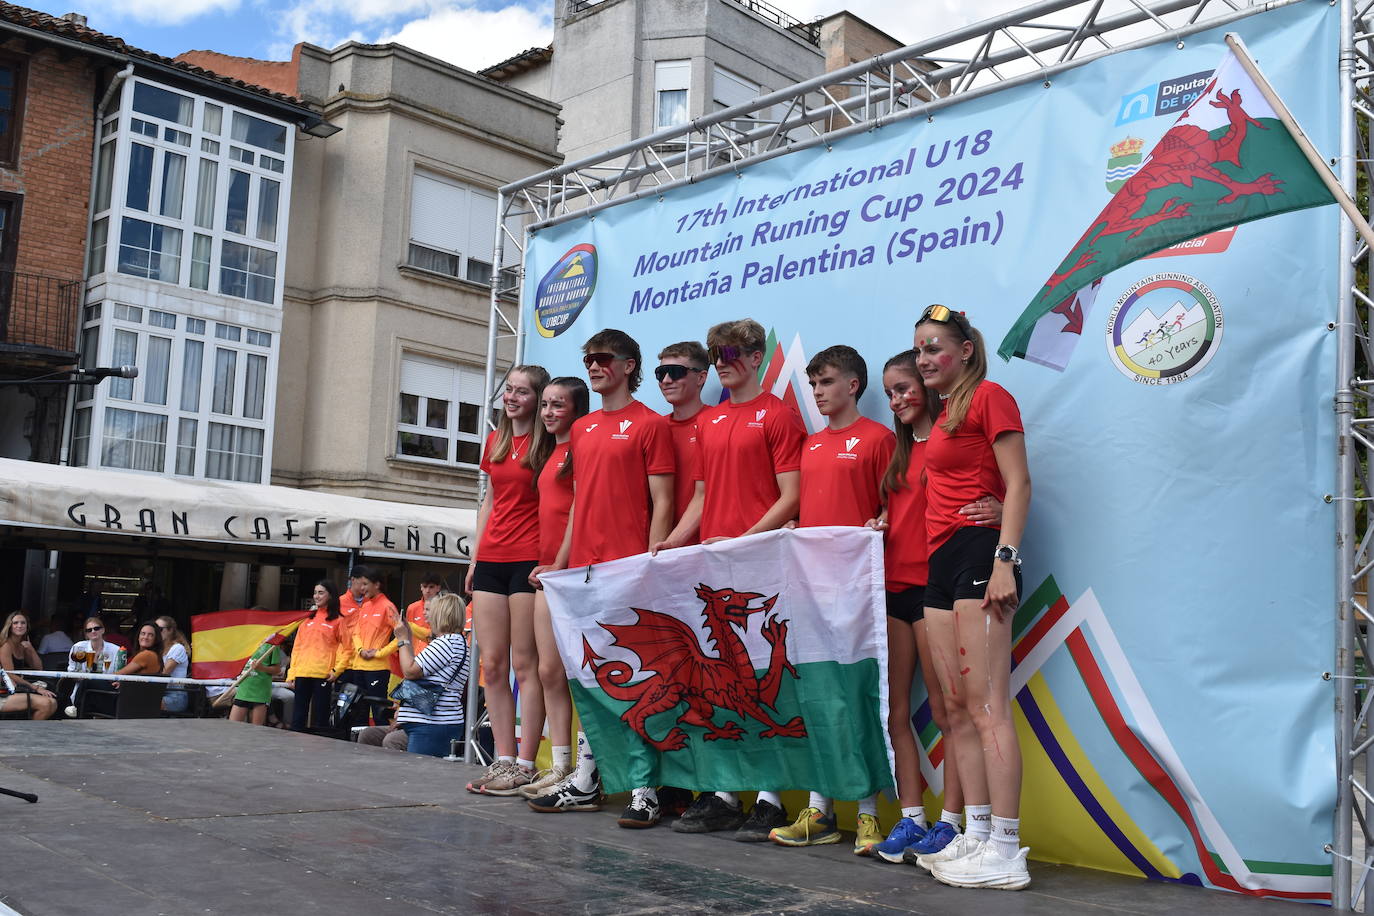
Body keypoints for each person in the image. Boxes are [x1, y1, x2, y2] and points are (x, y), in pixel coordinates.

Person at [659, 318, 804, 840]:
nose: (721, 359)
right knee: (721, 683)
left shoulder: (779, 415)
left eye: (731, 351)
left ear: (757, 356)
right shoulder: (710, 423)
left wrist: (744, 539)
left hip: (761, 565)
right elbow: (700, 496)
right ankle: (722, 792)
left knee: (766, 683)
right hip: (714, 567)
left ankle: (769, 798)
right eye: (716, 351)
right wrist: (674, 541)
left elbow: (792, 495)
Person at [908, 305, 1032, 891]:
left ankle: (1007, 848)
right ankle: (977, 835)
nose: (925, 359)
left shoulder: (989, 396)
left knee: (987, 708)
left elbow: (1020, 482)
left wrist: (1006, 558)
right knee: (954, 708)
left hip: (982, 554)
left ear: (964, 351)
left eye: (935, 348)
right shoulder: (943, 413)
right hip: (941, 560)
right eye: (919, 351)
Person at [527, 329, 674, 819]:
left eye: (603, 358)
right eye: (588, 358)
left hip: (627, 570)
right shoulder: (584, 429)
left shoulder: (651, 425)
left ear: (629, 365)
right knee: (591, 678)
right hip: (582, 575)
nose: (594, 365)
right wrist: (560, 565)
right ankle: (588, 780)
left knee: (634, 680)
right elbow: (577, 507)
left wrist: (649, 561)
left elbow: (664, 502)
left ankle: (644, 790)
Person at [768, 346, 894, 855]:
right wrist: (796, 529)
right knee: (816, 698)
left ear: (853, 385)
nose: (817, 392)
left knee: (856, 699)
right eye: (813, 383)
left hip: (859, 596)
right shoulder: (811, 445)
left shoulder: (879, 440)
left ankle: (867, 815)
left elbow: (894, 507)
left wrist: (881, 524)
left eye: (826, 382)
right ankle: (821, 811)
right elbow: (807, 507)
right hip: (810, 595)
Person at [464, 364, 552, 795]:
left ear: (537, 399)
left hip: (528, 559)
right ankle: (501, 758)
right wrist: (474, 557)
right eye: (509, 389)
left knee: (524, 663)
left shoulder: (548, 444)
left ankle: (525, 762)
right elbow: (490, 502)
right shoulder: (496, 440)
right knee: (493, 664)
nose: (511, 397)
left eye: (521, 391)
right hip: (492, 560)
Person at [522, 377, 590, 801]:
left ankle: (583, 770)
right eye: (544, 404)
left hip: (570, 571)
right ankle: (560, 763)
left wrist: (560, 563)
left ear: (576, 409)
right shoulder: (549, 453)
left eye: (557, 405)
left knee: (579, 675)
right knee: (548, 670)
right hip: (546, 572)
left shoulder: (582, 450)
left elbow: (580, 510)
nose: (547, 412)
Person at [391, 592, 470, 757]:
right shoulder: (457, 642)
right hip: (435, 722)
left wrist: (403, 639)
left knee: (418, 773)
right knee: (376, 738)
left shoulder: (445, 643)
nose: (427, 618)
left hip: (431, 724)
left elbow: (410, 670)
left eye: (431, 613)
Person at [284, 581, 348, 732]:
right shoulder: (306, 619)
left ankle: (321, 749)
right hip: (302, 672)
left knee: (321, 715)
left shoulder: (338, 620)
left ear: (330, 595)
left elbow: (348, 649)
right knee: (298, 715)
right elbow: (297, 647)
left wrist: (336, 671)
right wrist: (292, 673)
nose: (316, 596)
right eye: (315, 592)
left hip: (323, 674)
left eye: (321, 593)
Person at [345, 566, 402, 728]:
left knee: (378, 711)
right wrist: (360, 650)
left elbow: (401, 635)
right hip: (358, 666)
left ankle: (380, 744)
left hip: (377, 668)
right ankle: (359, 746)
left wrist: (380, 653)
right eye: (361, 584)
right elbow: (355, 633)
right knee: (359, 710)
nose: (362, 588)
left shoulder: (387, 606)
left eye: (365, 584)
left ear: (376, 585)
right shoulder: (365, 605)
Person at [378, 573, 440, 692]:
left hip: (430, 660)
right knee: (398, 699)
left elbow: (432, 635)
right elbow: (405, 635)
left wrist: (408, 625)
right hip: (412, 657)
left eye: (431, 587)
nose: (427, 591)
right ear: (420, 587)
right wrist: (383, 652)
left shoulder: (441, 607)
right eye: (425, 587)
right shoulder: (413, 607)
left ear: (438, 588)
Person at [0, 611, 57, 719]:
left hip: (16, 689)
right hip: (4, 692)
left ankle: (29, 733)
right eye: (15, 623)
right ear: (9, 626)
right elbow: (10, 674)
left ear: (27, 626)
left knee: (53, 703)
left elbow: (39, 668)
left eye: (23, 623)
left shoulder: (22, 645)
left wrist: (30, 649)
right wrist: (36, 688)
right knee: (47, 704)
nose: (19, 626)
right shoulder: (6, 645)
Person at [229, 637, 283, 727]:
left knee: (256, 730)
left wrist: (262, 668)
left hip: (261, 692)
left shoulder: (273, 643)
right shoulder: (246, 640)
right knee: (233, 727)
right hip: (243, 689)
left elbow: (277, 670)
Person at [156, 616, 192, 713]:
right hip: (159, 693)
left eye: (159, 629)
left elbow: (164, 673)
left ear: (170, 630)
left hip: (175, 696)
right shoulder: (158, 649)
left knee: (144, 703)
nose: (155, 632)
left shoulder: (177, 648)